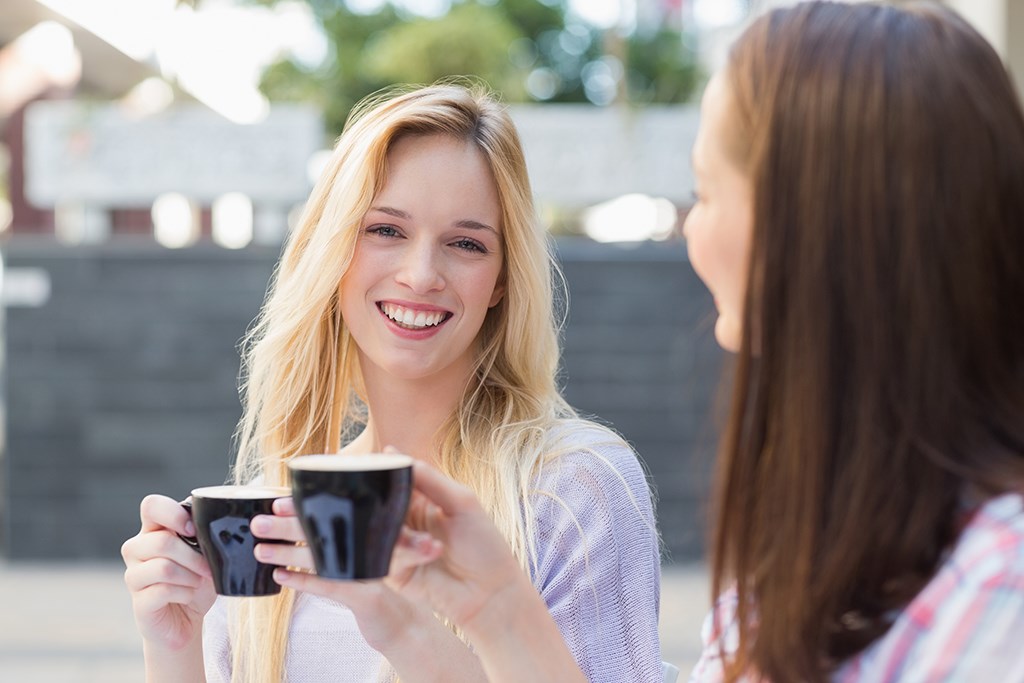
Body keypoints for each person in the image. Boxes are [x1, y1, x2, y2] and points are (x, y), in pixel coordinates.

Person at [385, 3, 1024, 682]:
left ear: (810, 225)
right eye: (385, 229)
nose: (692, 231)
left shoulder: (998, 600)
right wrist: (497, 611)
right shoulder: (791, 578)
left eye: (706, 192)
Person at [120, 82, 663, 683]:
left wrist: (405, 630)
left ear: (502, 282)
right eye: (386, 230)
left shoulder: (572, 489)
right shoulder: (267, 515)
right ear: (333, 250)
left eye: (465, 243)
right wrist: (173, 647)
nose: (421, 274)